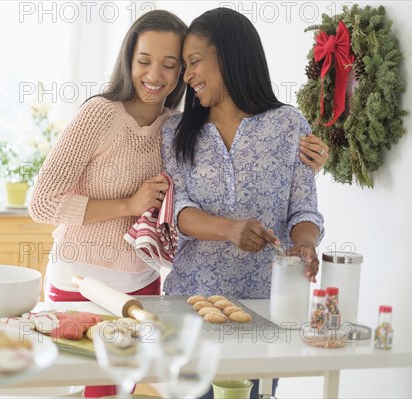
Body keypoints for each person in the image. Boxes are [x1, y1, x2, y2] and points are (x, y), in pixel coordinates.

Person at [160, 8, 325, 399]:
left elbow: (304, 210)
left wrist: (305, 244)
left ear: (231, 55)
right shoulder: (174, 131)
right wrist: (230, 230)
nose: (187, 76)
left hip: (266, 311)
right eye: (184, 65)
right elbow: (178, 212)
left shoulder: (288, 125)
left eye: (195, 61)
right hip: (191, 305)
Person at [29, 9, 188, 398]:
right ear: (128, 59)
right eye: (145, 61)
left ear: (182, 71)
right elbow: (42, 203)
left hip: (142, 285)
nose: (155, 75)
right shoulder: (98, 114)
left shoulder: (177, 127)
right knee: (87, 390)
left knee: (121, 391)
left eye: (170, 64)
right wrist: (127, 204)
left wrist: (299, 163)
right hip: (79, 284)